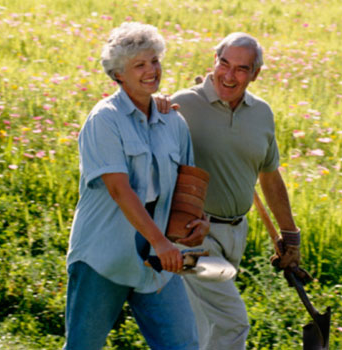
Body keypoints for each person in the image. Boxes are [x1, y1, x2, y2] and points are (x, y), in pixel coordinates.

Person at [64, 22, 208, 350]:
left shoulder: (173, 121)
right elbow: (119, 190)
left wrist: (197, 225)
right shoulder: (104, 120)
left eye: (154, 61)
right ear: (118, 75)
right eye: (139, 65)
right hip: (104, 258)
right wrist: (160, 243)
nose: (151, 71)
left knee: (183, 345)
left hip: (158, 264)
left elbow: (187, 186)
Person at [160, 32, 307, 350]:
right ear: (214, 61)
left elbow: (269, 177)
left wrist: (290, 235)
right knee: (232, 323)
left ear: (255, 74)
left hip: (235, 232)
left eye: (241, 69)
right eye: (223, 63)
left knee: (203, 326)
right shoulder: (182, 104)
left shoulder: (261, 114)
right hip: (192, 234)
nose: (229, 75)